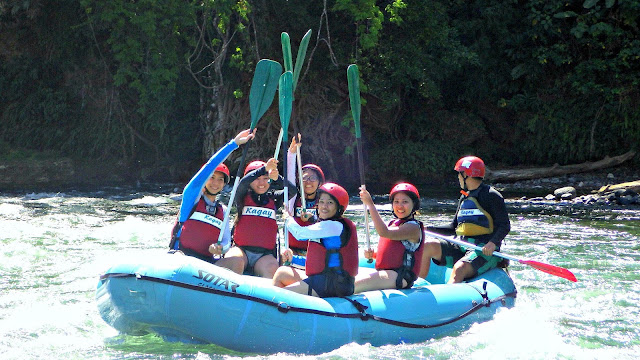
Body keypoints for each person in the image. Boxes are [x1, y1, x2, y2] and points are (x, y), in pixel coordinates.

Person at [169, 129, 255, 266]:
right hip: (182, 257)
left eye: (220, 180)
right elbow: (209, 166)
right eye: (212, 178)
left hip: (207, 266)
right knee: (180, 261)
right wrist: (234, 144)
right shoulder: (192, 199)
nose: (216, 183)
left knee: (237, 263)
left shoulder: (223, 211)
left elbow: (227, 241)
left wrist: (220, 247)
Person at [420, 156, 511, 283]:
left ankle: (449, 301)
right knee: (427, 246)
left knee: (459, 269)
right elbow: (453, 228)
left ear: (466, 174)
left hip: (484, 249)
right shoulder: (465, 197)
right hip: (462, 244)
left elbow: (505, 225)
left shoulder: (492, 195)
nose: (458, 177)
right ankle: (417, 287)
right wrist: (426, 229)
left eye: (459, 174)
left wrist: (493, 243)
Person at [272, 183, 359, 297]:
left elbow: (299, 233)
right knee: (282, 273)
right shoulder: (324, 226)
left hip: (333, 285)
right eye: (321, 202)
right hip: (324, 281)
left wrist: (288, 218)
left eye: (330, 203)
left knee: (278, 296)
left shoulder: (334, 226)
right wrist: (293, 259)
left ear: (339, 208)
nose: (324, 206)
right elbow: (318, 262)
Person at [223, 158, 297, 278]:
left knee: (272, 269)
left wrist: (277, 178)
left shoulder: (274, 198)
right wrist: (264, 169)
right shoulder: (241, 196)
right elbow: (243, 183)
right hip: (241, 250)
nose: (261, 183)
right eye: (257, 179)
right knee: (236, 261)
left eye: (265, 179)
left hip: (265, 255)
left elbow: (292, 191)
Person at [354, 183, 424, 292]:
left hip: (401, 276)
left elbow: (384, 232)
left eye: (405, 202)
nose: (400, 206)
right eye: (396, 202)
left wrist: (370, 204)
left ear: (414, 204)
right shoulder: (393, 223)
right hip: (388, 274)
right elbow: (394, 255)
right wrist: (374, 255)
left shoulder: (413, 228)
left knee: (351, 285)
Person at [285, 134, 326, 255]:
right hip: (293, 252)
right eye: (305, 178)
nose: (308, 182)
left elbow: (331, 224)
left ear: (319, 183)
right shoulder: (293, 199)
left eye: (313, 178)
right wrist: (291, 153)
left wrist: (313, 219)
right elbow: (290, 175)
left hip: (315, 252)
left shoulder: (324, 202)